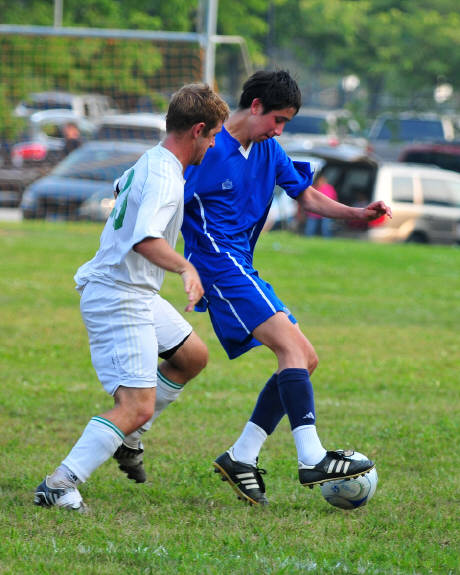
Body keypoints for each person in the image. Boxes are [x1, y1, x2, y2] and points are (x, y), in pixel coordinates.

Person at [122, 70, 391, 506]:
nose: (279, 130)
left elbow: (305, 195)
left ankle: (241, 455)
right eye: (277, 119)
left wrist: (357, 214)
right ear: (256, 106)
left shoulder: (267, 149)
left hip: (242, 267)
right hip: (218, 267)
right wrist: (170, 262)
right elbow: (160, 196)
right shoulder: (206, 150)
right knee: (292, 350)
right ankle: (311, 457)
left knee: (305, 358)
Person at [33, 84, 230, 512]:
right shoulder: (165, 176)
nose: (214, 145)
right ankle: (60, 483)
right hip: (118, 294)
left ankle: (129, 437)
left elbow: (124, 196)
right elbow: (144, 239)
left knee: (191, 356)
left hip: (134, 289)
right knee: (136, 405)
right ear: (198, 130)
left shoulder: (152, 159)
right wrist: (186, 268)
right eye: (214, 135)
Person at [304, 173, 338, 237]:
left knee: (326, 229)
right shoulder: (313, 188)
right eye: (320, 180)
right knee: (310, 229)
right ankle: (308, 240)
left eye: (322, 180)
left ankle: (327, 241)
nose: (321, 182)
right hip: (313, 212)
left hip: (326, 212)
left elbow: (334, 199)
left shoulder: (329, 188)